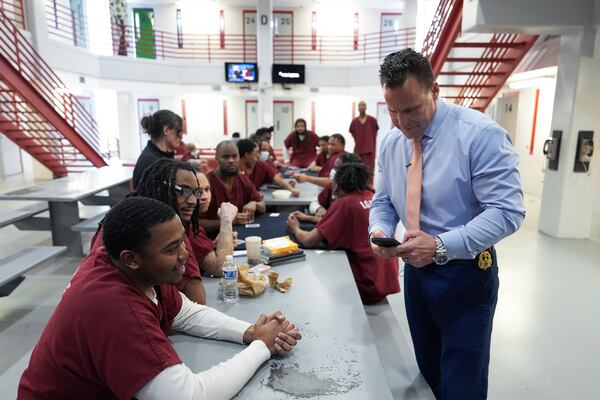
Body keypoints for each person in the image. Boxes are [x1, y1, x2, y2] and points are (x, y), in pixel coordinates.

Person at [18, 197, 301, 399]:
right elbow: (189, 396)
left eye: (182, 242)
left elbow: (186, 312)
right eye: (172, 248)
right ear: (132, 259)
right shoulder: (114, 308)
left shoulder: (128, 264)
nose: (185, 255)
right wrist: (263, 346)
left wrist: (251, 332)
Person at [370, 49, 525, 400]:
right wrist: (378, 230)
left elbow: (507, 211)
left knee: (462, 383)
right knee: (429, 373)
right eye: (392, 110)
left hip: (465, 276)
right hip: (414, 274)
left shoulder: (480, 136)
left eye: (410, 109)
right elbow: (383, 201)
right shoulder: (392, 142)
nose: (401, 122)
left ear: (435, 90)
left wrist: (441, 246)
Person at [287, 163, 400, 304]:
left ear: (338, 184)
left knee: (312, 272)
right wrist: (310, 218)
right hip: (384, 280)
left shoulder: (345, 203)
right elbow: (345, 221)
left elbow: (309, 240)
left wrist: (295, 227)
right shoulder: (372, 196)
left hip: (366, 286)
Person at [136, 159, 237, 278]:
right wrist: (226, 219)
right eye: (184, 191)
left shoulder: (190, 225)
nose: (195, 200)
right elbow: (220, 268)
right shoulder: (177, 229)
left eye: (203, 191)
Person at [200, 140, 266, 236]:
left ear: (239, 157)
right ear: (216, 158)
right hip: (212, 241)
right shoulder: (206, 183)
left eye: (234, 156)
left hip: (240, 236)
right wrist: (228, 221)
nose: (231, 161)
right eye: (226, 157)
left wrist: (254, 203)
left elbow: (262, 205)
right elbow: (196, 223)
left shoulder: (243, 179)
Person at [133, 109, 183, 189]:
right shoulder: (153, 162)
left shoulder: (154, 155)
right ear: (166, 130)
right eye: (179, 132)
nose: (181, 137)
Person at [349, 100, 379, 174]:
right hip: (358, 150)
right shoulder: (354, 121)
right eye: (360, 105)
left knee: (369, 171)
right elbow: (352, 133)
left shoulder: (372, 120)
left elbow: (376, 133)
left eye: (363, 105)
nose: (362, 107)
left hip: (369, 150)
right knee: (357, 170)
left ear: (366, 107)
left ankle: (369, 185)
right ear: (358, 108)